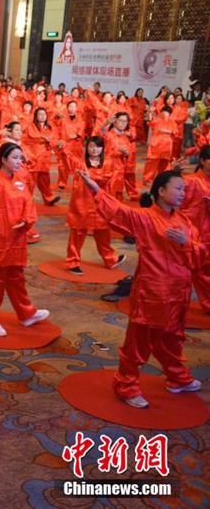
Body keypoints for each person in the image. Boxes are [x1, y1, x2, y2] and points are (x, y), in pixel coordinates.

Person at [78, 169, 203, 408]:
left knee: (173, 338)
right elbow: (118, 211)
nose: (183, 193)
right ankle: (126, 385)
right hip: (152, 292)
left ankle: (177, 377)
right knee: (138, 342)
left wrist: (186, 243)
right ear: (161, 191)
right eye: (178, 188)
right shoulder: (145, 218)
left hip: (179, 291)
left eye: (184, 189)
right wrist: (96, 189)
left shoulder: (184, 221)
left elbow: (200, 254)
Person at [0, 142, 50, 336]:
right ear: (3, 159)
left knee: (16, 278)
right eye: (14, 158)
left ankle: (26, 313)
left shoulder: (20, 180)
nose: (19, 161)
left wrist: (27, 220)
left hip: (16, 238)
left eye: (20, 158)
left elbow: (28, 202)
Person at [64, 136, 126, 274]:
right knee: (78, 232)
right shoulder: (80, 162)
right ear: (87, 147)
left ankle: (110, 259)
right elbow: (66, 154)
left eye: (98, 147)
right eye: (91, 146)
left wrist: (90, 178)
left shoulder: (108, 162)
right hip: (82, 202)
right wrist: (63, 144)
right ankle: (72, 262)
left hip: (99, 202)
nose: (94, 149)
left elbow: (109, 178)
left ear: (103, 148)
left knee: (103, 232)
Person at [174, 145, 210, 313]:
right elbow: (170, 195)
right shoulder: (192, 181)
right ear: (202, 161)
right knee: (192, 269)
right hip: (193, 232)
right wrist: (174, 173)